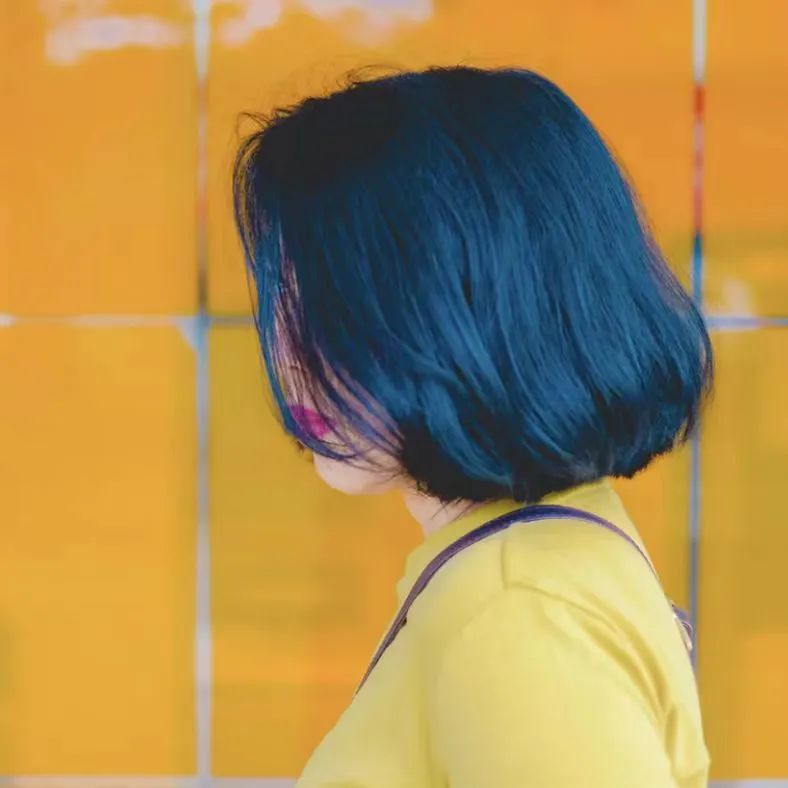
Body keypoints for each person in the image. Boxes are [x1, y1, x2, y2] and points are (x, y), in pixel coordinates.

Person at [233, 65, 712, 787]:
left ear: (472, 306)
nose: (287, 352)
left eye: (333, 308)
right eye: (284, 299)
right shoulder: (538, 562)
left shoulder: (517, 608)